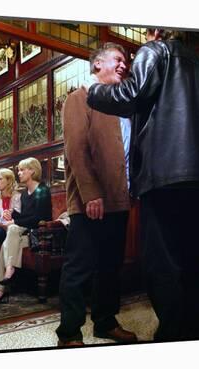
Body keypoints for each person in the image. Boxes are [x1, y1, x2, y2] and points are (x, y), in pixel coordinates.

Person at [86, 29, 199, 341]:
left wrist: (93, 92)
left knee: (163, 264)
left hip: (165, 176)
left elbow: (130, 95)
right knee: (193, 262)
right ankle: (195, 333)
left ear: (155, 31)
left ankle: (171, 339)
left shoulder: (156, 51)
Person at [55, 42, 137, 347]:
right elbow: (75, 149)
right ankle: (69, 333)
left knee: (110, 268)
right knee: (79, 268)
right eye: (117, 59)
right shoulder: (80, 98)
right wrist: (90, 194)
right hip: (91, 200)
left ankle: (105, 322)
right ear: (97, 64)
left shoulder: (123, 104)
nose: (123, 65)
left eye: (125, 61)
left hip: (120, 198)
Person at [0, 158, 52, 304]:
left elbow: (39, 218)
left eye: (22, 170)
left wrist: (15, 220)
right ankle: (5, 280)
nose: (19, 173)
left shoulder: (42, 190)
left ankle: (1, 288)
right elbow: (25, 216)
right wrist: (13, 214)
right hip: (24, 234)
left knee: (11, 230)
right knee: (9, 238)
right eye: (19, 170)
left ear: (32, 171)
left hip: (39, 236)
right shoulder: (24, 194)